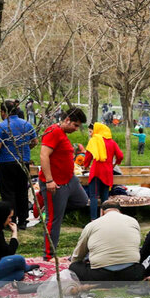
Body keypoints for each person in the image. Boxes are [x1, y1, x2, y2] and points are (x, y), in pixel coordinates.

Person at [38, 107, 90, 260]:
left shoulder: (63, 134)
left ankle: (51, 207)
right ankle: (48, 256)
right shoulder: (53, 131)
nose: (76, 129)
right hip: (55, 183)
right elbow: (43, 155)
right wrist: (49, 180)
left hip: (70, 180)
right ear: (67, 120)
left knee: (82, 200)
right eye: (75, 125)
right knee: (54, 221)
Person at [0, 101, 37, 229]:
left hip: (6, 162)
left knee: (8, 193)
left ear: (3, 112)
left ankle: (10, 219)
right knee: (22, 191)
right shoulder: (27, 124)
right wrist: (25, 149)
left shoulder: (2, 126)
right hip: (23, 162)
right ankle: (23, 220)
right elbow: (35, 141)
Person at [69, 201, 146, 281]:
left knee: (74, 266)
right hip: (132, 274)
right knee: (141, 267)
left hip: (100, 275)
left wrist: (74, 262)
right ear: (119, 211)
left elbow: (79, 253)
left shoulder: (92, 225)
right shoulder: (133, 221)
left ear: (101, 211)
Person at [83, 122, 124, 220]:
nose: (91, 133)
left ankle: (93, 219)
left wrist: (86, 166)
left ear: (97, 130)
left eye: (91, 130)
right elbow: (120, 156)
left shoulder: (94, 141)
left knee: (93, 196)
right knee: (105, 197)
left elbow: (88, 156)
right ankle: (105, 219)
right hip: (108, 172)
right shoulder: (112, 142)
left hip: (96, 171)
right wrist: (115, 163)